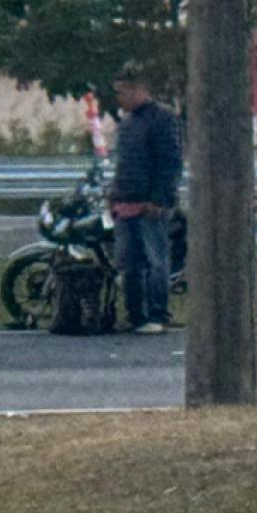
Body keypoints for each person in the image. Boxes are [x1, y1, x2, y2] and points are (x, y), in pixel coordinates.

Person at [109, 62, 182, 335]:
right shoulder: (127, 123)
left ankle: (157, 315)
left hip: (151, 205)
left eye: (123, 92)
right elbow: (123, 165)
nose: (119, 98)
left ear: (139, 90)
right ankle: (135, 315)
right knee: (129, 263)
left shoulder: (162, 119)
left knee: (155, 261)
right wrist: (114, 194)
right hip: (125, 202)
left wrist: (159, 199)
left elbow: (170, 163)